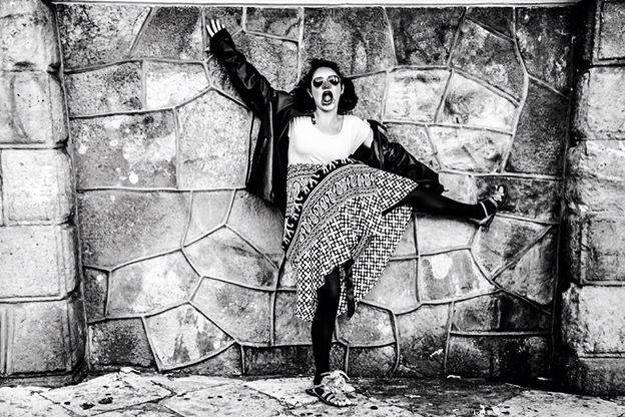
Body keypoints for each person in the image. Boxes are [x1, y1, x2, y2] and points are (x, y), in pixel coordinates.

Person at [206, 19, 506, 407]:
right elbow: (253, 86)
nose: (326, 88)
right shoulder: (291, 118)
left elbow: (391, 156)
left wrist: (424, 181)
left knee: (384, 201)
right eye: (318, 83)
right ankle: (322, 375)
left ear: (342, 89)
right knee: (332, 270)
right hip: (306, 214)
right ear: (309, 91)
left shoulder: (354, 128)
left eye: (333, 81)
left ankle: (474, 212)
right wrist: (224, 45)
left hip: (343, 209)